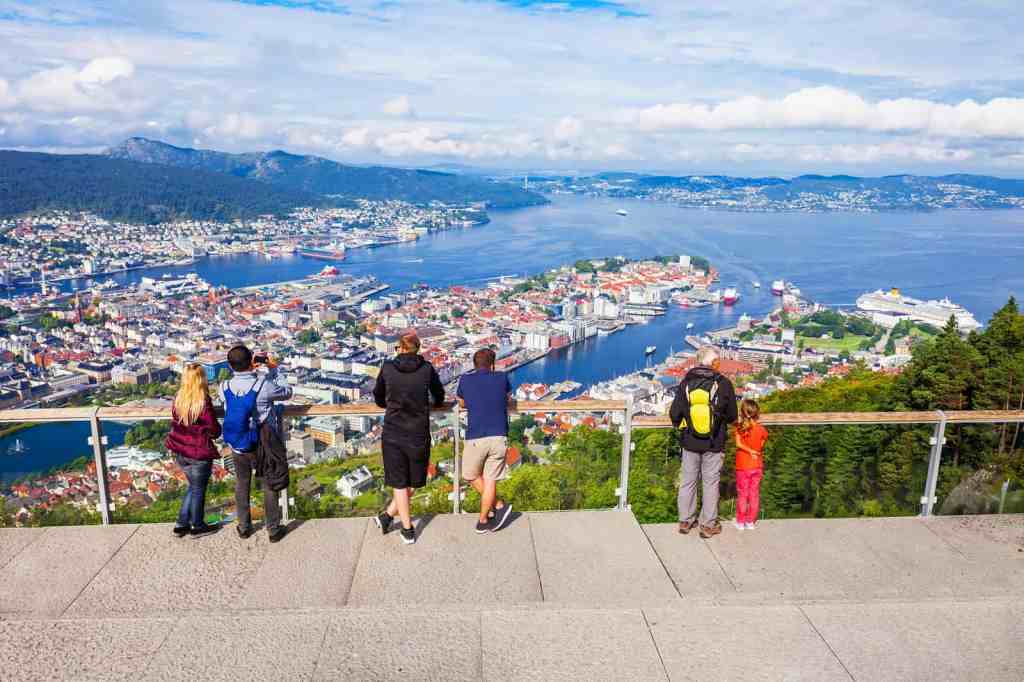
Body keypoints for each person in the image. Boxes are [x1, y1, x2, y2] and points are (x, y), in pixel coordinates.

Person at [373, 332, 445, 545]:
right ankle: (407, 528)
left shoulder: (387, 368)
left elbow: (378, 396)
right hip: (418, 431)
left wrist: (391, 404)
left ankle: (388, 516)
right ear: (417, 348)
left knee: (400, 482)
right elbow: (438, 395)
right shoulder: (426, 369)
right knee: (413, 482)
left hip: (394, 430)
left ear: (400, 348)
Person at [221, 344, 293, 544]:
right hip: (263, 442)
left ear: (230, 366)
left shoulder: (224, 387)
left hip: (238, 444)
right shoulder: (263, 385)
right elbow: (287, 392)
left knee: (242, 483)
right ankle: (273, 529)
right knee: (270, 482)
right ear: (252, 362)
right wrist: (273, 369)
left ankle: (244, 527)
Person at [670, 346, 738, 538]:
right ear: (713, 363)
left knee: (688, 481)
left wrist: (682, 426)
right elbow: (733, 415)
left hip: (690, 441)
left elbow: (675, 413)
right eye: (718, 361)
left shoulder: (686, 383)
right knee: (710, 483)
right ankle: (707, 525)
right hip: (714, 442)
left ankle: (685, 520)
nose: (720, 364)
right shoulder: (724, 384)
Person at [456, 348, 514, 534]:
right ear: (492, 364)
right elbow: (507, 398)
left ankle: (485, 518)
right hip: (499, 435)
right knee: (490, 479)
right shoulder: (502, 377)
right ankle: (496, 506)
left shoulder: (465, 379)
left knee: (470, 475)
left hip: (476, 436)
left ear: (474, 365)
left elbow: (462, 402)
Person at [165, 364, 222, 537]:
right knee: (198, 490)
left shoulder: (178, 398)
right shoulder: (202, 401)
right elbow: (213, 429)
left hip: (180, 451)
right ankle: (197, 525)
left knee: (193, 487)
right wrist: (214, 432)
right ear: (201, 379)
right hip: (198, 452)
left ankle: (181, 524)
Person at [734, 398, 768, 531]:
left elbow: (738, 444)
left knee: (743, 494)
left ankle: (741, 521)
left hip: (743, 465)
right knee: (754, 494)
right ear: (757, 413)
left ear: (742, 412)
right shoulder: (761, 429)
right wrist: (755, 451)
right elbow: (761, 445)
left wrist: (749, 450)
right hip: (757, 465)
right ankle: (750, 521)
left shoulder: (739, 427)